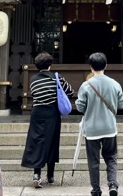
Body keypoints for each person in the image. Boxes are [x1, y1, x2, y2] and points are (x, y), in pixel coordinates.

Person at [21, 52, 74, 188]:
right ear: (50, 65)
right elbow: (70, 91)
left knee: (37, 141)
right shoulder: (56, 78)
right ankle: (50, 176)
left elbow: (34, 94)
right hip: (52, 113)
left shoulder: (33, 79)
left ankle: (36, 174)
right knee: (52, 141)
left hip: (37, 113)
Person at [76, 52, 123, 196]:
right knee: (111, 157)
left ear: (91, 67)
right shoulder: (114, 84)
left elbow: (80, 107)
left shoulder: (85, 85)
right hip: (110, 127)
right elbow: (121, 104)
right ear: (106, 66)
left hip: (91, 130)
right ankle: (112, 184)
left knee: (93, 161)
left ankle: (96, 190)